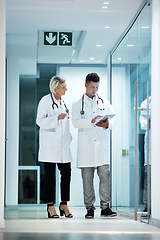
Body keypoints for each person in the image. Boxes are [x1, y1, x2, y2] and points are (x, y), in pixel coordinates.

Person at [71, 73, 117, 218]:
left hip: (101, 147)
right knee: (87, 180)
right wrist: (91, 121)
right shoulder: (77, 103)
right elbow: (76, 122)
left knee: (104, 177)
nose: (95, 90)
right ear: (85, 85)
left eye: (97, 87)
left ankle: (105, 207)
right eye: (92, 87)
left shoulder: (105, 102)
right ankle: (89, 208)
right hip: (86, 149)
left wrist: (107, 124)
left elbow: (113, 119)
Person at [36, 76, 73, 218]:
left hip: (63, 145)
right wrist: (55, 118)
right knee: (50, 176)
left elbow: (66, 122)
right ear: (55, 88)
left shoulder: (63, 102)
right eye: (63, 87)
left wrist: (69, 138)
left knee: (66, 174)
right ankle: (50, 205)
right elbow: (39, 120)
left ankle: (64, 204)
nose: (66, 89)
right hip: (50, 145)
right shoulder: (45, 101)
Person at [139, 96, 151, 216]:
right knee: (149, 178)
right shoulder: (147, 102)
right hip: (152, 147)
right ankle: (148, 205)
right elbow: (142, 123)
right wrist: (150, 123)